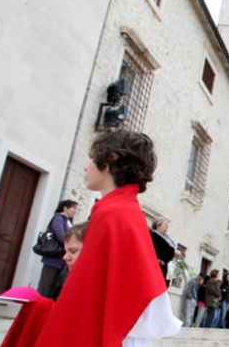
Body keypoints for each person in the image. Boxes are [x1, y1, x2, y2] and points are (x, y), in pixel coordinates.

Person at [35, 129, 181, 346]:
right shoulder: (123, 210)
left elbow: (89, 293)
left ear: (111, 159)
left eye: (92, 159)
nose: (86, 166)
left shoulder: (112, 212)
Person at [37, 199, 77, 298]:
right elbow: (61, 236)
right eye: (73, 208)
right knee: (46, 285)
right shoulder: (58, 218)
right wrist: (72, 247)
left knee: (54, 287)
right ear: (65, 208)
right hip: (53, 257)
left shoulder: (68, 221)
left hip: (60, 259)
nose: (75, 211)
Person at [150, 219, 180, 286]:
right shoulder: (154, 235)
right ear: (158, 226)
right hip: (158, 267)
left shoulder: (166, 237)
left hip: (165, 267)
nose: (167, 226)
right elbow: (162, 248)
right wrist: (173, 251)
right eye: (165, 224)